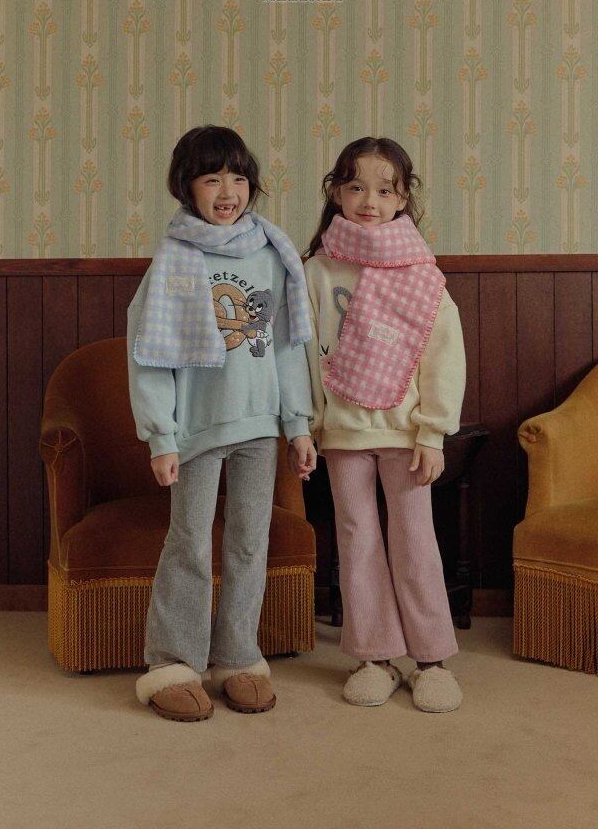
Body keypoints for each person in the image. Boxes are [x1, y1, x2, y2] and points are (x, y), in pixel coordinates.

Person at [127, 125, 316, 722]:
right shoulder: (173, 259)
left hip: (260, 426)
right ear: (187, 187)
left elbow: (287, 345)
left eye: (238, 178)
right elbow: (150, 354)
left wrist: (298, 424)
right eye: (212, 179)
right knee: (189, 541)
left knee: (249, 542)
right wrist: (161, 436)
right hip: (197, 430)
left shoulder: (271, 253)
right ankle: (173, 661)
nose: (228, 191)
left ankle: (237, 656)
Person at [297, 136, 466, 712]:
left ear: (402, 199)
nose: (369, 201)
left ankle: (431, 659)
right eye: (356, 187)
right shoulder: (317, 271)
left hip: (406, 433)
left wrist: (433, 432)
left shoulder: (421, 271)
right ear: (336, 193)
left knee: (415, 539)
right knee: (357, 539)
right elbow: (302, 354)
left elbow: (443, 357)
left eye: (384, 190)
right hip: (343, 432)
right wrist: (308, 426)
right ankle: (374, 656)